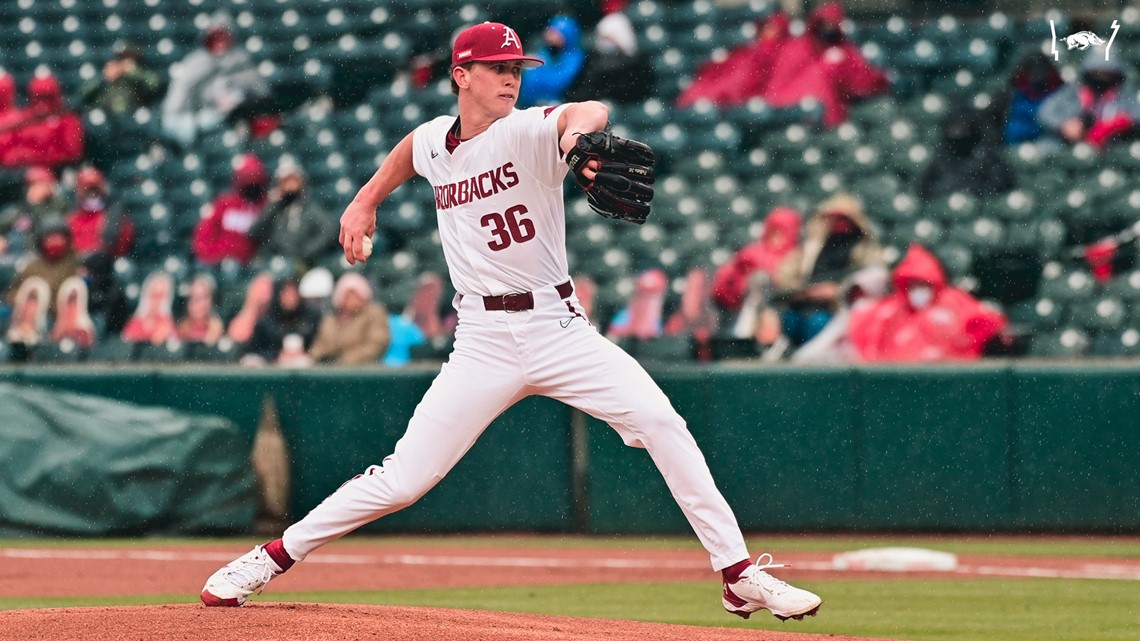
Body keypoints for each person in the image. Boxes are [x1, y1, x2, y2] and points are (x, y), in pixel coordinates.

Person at [200, 21, 821, 623]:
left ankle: (738, 577)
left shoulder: (526, 131)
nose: (511, 79)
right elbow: (406, 157)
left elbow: (590, 110)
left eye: (517, 69)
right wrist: (364, 202)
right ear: (460, 75)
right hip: (481, 344)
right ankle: (269, 558)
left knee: (662, 420)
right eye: (497, 69)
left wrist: (577, 143)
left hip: (558, 328)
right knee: (402, 481)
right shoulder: (433, 142)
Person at [849, 244, 1007, 362]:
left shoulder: (954, 301)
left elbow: (988, 322)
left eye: (923, 284)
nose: (919, 290)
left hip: (948, 377)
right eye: (913, 285)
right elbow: (864, 329)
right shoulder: (891, 309)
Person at [760, 2, 889, 127]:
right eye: (825, 24)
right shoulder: (796, 48)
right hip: (795, 113)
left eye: (833, 25)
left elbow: (863, 80)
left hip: (832, 120)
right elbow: (778, 88)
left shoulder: (844, 50)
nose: (829, 29)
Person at [779, 193, 881, 346]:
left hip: (837, 312)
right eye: (834, 217)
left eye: (843, 218)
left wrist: (838, 291)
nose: (839, 222)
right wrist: (802, 291)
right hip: (803, 305)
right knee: (787, 319)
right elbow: (784, 275)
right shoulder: (812, 247)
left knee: (817, 324)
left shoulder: (864, 249)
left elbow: (873, 281)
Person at [160, 12, 268, 146]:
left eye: (223, 37)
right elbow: (178, 98)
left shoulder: (241, 59)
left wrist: (236, 97)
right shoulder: (195, 61)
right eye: (215, 38)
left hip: (231, 120)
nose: (219, 43)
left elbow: (261, 89)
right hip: (192, 119)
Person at [677, 11, 791, 108]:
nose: (767, 31)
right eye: (765, 27)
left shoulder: (782, 51)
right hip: (724, 99)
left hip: (747, 102)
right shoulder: (747, 50)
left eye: (772, 28)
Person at [1038, 51, 1140, 150]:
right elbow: (1045, 112)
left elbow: (1136, 114)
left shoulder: (1123, 92)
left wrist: (1115, 125)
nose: (1101, 79)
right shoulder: (1074, 90)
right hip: (1071, 143)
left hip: (1112, 145)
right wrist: (1064, 124)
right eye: (1097, 73)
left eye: (1107, 74)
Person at [248, 159, 338, 268]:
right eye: (285, 181)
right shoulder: (275, 209)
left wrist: (305, 253)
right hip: (273, 262)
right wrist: (273, 205)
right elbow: (254, 232)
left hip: (301, 263)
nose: (289, 186)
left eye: (293, 180)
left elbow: (329, 231)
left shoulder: (309, 208)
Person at [918, 105, 1015, 202]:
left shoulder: (988, 158)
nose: (958, 132)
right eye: (954, 128)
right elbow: (926, 191)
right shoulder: (940, 160)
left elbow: (1001, 188)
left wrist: (972, 191)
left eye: (963, 128)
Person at [565, 7, 653, 105]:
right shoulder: (591, 61)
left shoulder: (637, 64)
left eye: (610, 38)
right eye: (602, 38)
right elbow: (584, 91)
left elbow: (636, 92)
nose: (605, 43)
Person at [192, 153, 269, 266]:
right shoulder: (224, 204)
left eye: (255, 179)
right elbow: (203, 238)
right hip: (218, 264)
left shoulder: (265, 206)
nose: (251, 184)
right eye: (247, 178)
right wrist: (218, 257)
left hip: (250, 265)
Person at [1, 74, 85, 168]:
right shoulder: (24, 117)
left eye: (47, 97)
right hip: (21, 171)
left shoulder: (68, 119)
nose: (41, 102)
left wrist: (37, 157)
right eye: (37, 97)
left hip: (55, 170)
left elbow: (72, 154)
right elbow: (11, 149)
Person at [306, 272, 390, 365]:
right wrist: (313, 357)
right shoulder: (330, 319)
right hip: (331, 372)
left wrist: (344, 360)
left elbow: (376, 344)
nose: (351, 299)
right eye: (348, 295)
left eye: (355, 294)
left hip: (364, 369)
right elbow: (320, 345)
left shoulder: (374, 313)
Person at [5, 218, 81, 314]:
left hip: (62, 316)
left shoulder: (75, 264)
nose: (55, 242)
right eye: (51, 238)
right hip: (32, 317)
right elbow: (12, 293)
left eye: (59, 237)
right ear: (42, 241)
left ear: (67, 240)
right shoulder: (32, 267)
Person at [244, 278, 321, 364]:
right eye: (286, 294)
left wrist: (307, 355)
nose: (290, 298)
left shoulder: (311, 319)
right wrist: (276, 355)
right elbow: (252, 352)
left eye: (293, 294)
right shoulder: (265, 324)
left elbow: (320, 348)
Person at [65, 166, 135, 259]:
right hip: (80, 264)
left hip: (107, 262)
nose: (93, 195)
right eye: (88, 190)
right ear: (80, 192)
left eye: (95, 190)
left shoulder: (114, 214)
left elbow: (123, 243)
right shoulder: (73, 219)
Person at [0, 167, 70, 258]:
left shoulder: (60, 205)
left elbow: (44, 226)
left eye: (39, 184)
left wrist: (36, 204)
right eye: (31, 185)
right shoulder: (18, 209)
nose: (35, 188)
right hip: (22, 258)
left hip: (50, 255)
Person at [999, 51, 1065, 146]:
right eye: (1032, 70)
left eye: (1041, 70)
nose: (1038, 75)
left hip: (1050, 144)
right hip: (1015, 144)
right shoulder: (1011, 93)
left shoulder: (1060, 93)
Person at [80, 43, 165, 116]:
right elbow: (83, 94)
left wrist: (134, 73)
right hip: (108, 115)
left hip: (134, 115)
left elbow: (155, 85)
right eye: (122, 57)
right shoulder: (111, 74)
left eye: (130, 57)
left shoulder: (143, 72)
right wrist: (104, 78)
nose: (125, 61)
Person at [519, 15, 586, 107]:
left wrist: (538, 70)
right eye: (550, 31)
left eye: (556, 33)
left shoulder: (575, 57)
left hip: (561, 104)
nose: (550, 36)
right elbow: (529, 85)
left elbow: (557, 83)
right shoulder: (542, 51)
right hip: (531, 104)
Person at [606, 268, 667, 340]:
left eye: (651, 297)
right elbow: (612, 338)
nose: (646, 302)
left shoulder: (659, 323)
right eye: (643, 295)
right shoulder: (624, 316)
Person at [121, 271, 176, 345]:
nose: (157, 300)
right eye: (154, 294)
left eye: (161, 295)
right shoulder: (134, 322)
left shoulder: (167, 325)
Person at [176, 274, 225, 346]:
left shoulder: (216, 326)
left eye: (204, 297)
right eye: (194, 298)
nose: (198, 304)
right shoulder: (181, 327)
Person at [226, 271, 273, 344]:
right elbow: (238, 336)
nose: (264, 294)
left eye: (268, 290)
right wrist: (253, 305)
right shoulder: (239, 311)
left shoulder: (273, 317)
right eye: (260, 290)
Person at [5, 276, 50, 353]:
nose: (29, 305)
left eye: (34, 298)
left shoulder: (45, 344)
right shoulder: (5, 335)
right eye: (28, 298)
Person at [49, 276, 96, 350]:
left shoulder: (85, 332)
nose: (71, 306)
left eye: (74, 299)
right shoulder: (54, 329)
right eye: (69, 299)